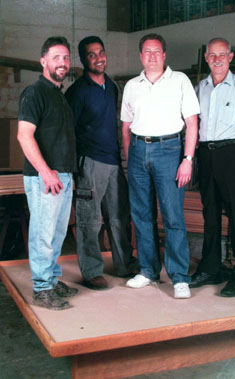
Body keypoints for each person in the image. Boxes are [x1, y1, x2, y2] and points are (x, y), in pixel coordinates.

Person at [121, 33, 200, 299]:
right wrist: (131, 157)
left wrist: (187, 159)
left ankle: (179, 277)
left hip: (169, 150)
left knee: (172, 215)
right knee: (142, 214)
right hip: (138, 150)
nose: (152, 55)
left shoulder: (180, 81)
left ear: (165, 55)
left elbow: (192, 123)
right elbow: (126, 127)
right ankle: (148, 270)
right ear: (141, 56)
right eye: (147, 51)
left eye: (157, 51)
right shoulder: (133, 85)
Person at [65, 36, 138, 290]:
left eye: (101, 53)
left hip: (114, 162)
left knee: (119, 217)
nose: (98, 58)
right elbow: (68, 132)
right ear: (84, 60)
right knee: (90, 221)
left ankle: (124, 264)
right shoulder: (77, 92)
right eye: (91, 55)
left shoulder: (112, 86)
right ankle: (92, 271)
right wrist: (75, 170)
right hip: (90, 163)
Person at [190, 37, 235, 297]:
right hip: (206, 155)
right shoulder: (200, 88)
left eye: (222, 55)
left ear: (230, 57)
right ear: (207, 58)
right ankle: (210, 267)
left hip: (233, 154)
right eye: (212, 55)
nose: (217, 59)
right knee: (210, 213)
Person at [17, 36, 78, 310]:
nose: (62, 62)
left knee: (56, 234)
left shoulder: (58, 94)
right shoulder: (35, 93)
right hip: (45, 178)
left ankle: (52, 281)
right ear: (43, 61)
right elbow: (24, 135)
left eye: (65, 57)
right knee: (43, 233)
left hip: (62, 176)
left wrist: (63, 176)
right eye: (56, 57)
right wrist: (46, 172)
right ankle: (42, 289)